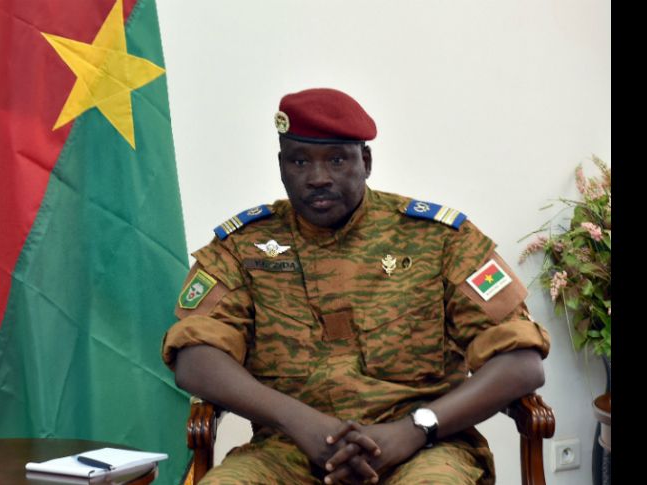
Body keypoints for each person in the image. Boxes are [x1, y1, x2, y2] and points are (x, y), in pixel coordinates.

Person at [162, 87, 550, 484]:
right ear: (281, 165)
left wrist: (415, 429)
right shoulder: (244, 246)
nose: (317, 178)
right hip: (286, 449)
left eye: (336, 160)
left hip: (426, 450)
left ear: (365, 161)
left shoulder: (440, 240)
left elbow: (521, 362)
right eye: (299, 161)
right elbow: (195, 358)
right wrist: (298, 421)